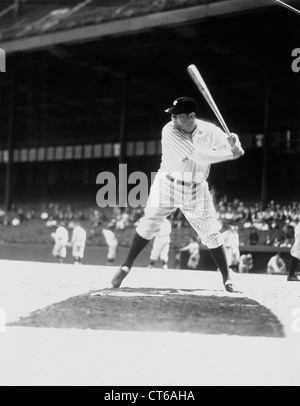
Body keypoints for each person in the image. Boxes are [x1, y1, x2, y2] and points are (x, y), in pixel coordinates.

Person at [111, 96, 244, 292]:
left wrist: (235, 143)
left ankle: (227, 278)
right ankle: (126, 265)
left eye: (177, 115)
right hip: (167, 184)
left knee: (212, 233)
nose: (172, 118)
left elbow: (229, 142)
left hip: (196, 189)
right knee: (149, 223)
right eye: (171, 115)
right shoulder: (169, 130)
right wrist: (230, 154)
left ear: (191, 116)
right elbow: (198, 155)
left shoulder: (210, 130)